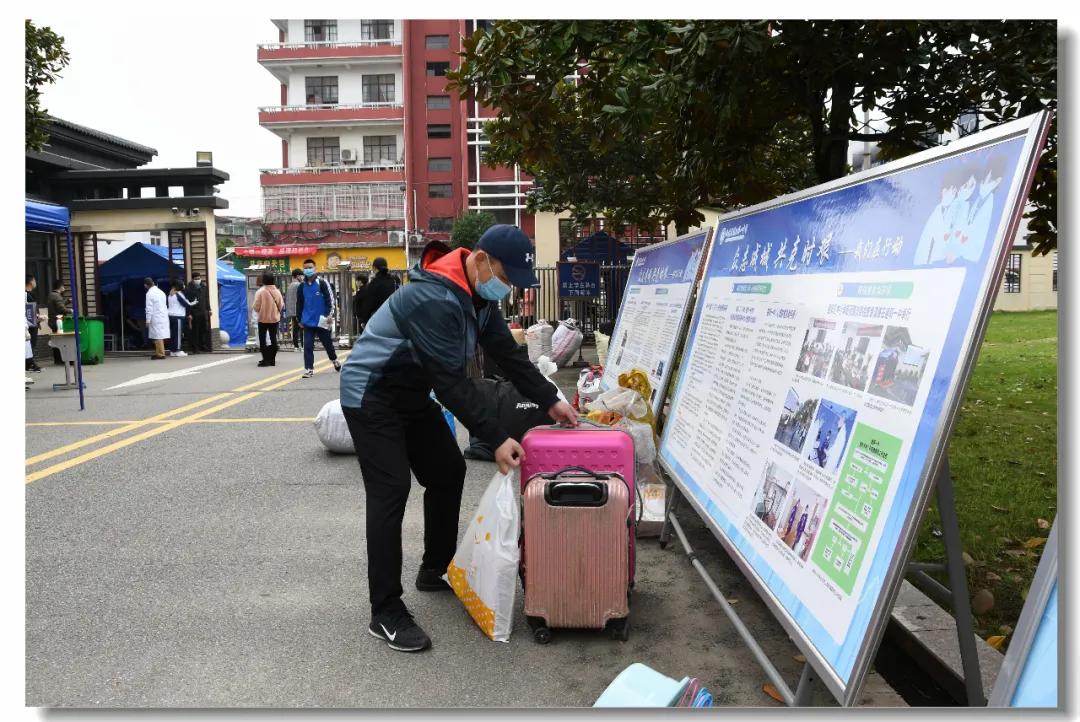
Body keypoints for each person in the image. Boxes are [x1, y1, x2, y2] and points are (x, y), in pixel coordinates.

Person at [339, 224, 577, 653]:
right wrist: (498, 436)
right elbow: (452, 384)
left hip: (409, 393)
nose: (507, 289)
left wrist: (551, 400)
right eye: (506, 279)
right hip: (372, 394)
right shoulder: (435, 299)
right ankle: (386, 611)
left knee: (447, 471)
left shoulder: (476, 300)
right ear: (481, 260)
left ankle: (434, 570)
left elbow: (509, 357)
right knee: (391, 489)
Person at [295, 259, 340, 378]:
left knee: (328, 344)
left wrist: (329, 314)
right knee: (308, 345)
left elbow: (330, 300)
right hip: (308, 321)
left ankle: (334, 360)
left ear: (315, 268)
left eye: (310, 267)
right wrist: (299, 319)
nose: (308, 270)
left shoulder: (322, 283)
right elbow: (299, 304)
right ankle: (309, 369)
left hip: (322, 320)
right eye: (305, 268)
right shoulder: (301, 287)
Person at [253, 272, 285, 367]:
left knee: (263, 340)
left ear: (264, 280)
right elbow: (281, 305)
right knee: (273, 339)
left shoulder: (261, 292)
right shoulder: (277, 291)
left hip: (263, 319)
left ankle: (265, 360)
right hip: (274, 319)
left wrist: (261, 309)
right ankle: (272, 359)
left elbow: (256, 307)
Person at [358, 257, 396, 327]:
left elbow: (368, 303)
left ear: (374, 268)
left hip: (376, 318)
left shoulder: (374, 283)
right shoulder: (392, 281)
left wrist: (364, 320)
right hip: (390, 318)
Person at [166, 279, 196, 357]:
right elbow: (186, 304)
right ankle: (177, 350)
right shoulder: (178, 294)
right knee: (178, 334)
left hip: (170, 315)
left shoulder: (170, 294)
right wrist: (195, 302)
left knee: (173, 334)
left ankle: (172, 350)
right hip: (178, 316)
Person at [185, 272, 213, 353]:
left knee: (203, 329)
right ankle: (195, 348)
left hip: (203, 311)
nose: (198, 280)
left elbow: (207, 299)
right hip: (194, 312)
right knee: (195, 331)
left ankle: (203, 345)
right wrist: (189, 313)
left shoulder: (204, 287)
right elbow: (187, 302)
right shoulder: (189, 288)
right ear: (193, 279)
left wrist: (209, 309)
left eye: (199, 278)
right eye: (196, 279)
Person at [47, 279, 72, 365]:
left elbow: (58, 305)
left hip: (52, 321)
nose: (64, 288)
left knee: (56, 340)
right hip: (58, 321)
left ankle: (57, 360)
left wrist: (67, 301)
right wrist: (70, 311)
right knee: (61, 341)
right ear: (60, 287)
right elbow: (60, 309)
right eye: (63, 286)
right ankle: (61, 359)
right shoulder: (57, 296)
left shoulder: (51, 295)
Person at [143, 278, 170, 360]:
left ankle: (161, 353)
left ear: (145, 285)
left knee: (157, 335)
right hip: (163, 315)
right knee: (159, 335)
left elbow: (149, 308)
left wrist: (148, 320)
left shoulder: (149, 294)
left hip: (155, 316)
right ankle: (159, 352)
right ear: (153, 283)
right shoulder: (161, 292)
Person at [25, 274, 42, 373]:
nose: (35, 282)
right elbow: (28, 310)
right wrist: (38, 317)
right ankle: (29, 364)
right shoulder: (26, 295)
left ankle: (30, 363)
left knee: (31, 344)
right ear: (30, 282)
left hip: (32, 323)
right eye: (34, 280)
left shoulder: (30, 294)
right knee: (29, 344)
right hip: (29, 324)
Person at [284, 268, 303, 349]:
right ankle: (302, 344)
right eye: (301, 276)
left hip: (292, 309)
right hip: (298, 309)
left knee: (295, 327)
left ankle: (296, 345)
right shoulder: (298, 285)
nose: (302, 277)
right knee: (302, 327)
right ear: (298, 276)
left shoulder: (290, 285)